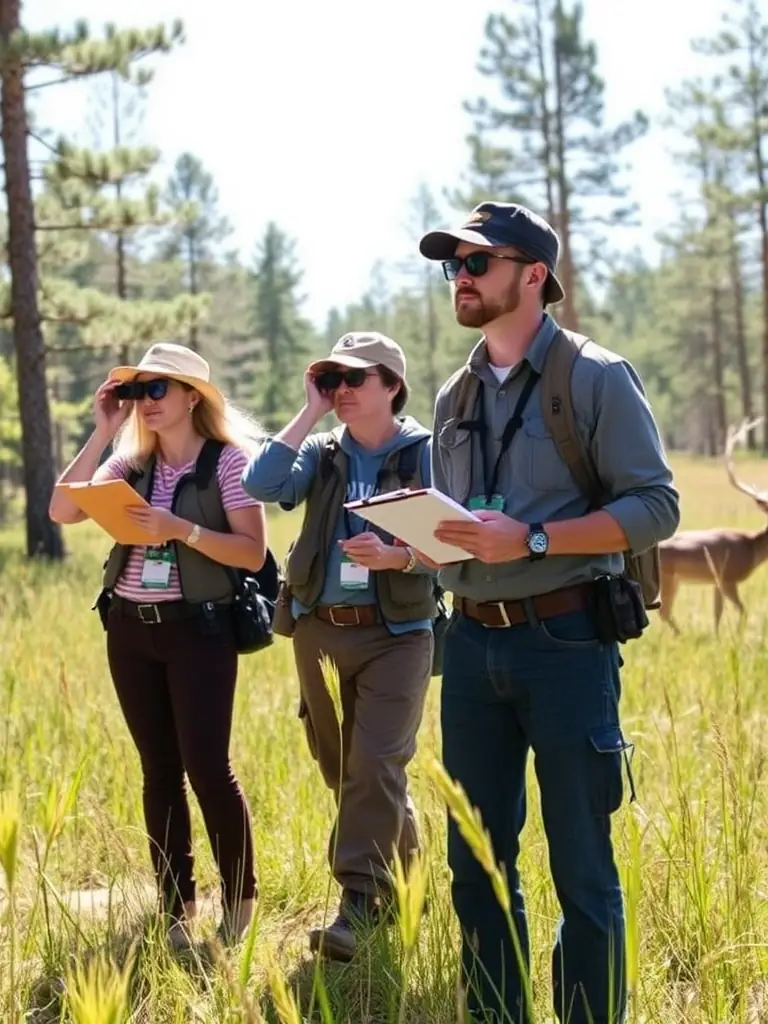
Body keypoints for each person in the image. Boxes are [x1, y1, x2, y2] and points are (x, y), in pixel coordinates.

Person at [417, 202, 680, 1024]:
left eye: (478, 262)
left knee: (582, 865)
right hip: (467, 649)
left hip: (568, 643)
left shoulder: (595, 376)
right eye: (452, 265)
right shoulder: (453, 394)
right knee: (477, 865)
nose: (460, 277)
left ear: (534, 276)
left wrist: (529, 540)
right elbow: (460, 521)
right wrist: (423, 542)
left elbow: (657, 505)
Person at [49, 342, 266, 951]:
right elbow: (62, 508)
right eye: (136, 391)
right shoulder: (130, 465)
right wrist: (103, 431)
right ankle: (177, 907)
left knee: (208, 769)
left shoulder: (227, 463)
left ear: (192, 397)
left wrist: (182, 530)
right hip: (129, 629)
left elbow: (251, 552)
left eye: (155, 390)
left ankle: (241, 902)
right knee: (158, 773)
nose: (144, 402)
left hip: (199, 631)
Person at [241, 331, 436, 962]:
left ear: (392, 386)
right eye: (334, 379)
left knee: (375, 764)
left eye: (357, 379)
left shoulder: (427, 453)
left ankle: (357, 905)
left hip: (398, 635)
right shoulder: (321, 452)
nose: (343, 389)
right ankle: (409, 878)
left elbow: (458, 542)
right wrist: (308, 412)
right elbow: (263, 483)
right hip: (321, 629)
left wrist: (397, 556)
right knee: (342, 769)